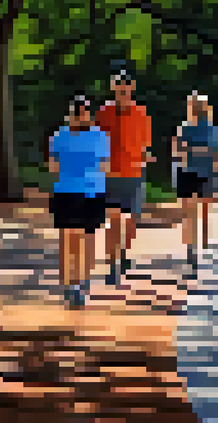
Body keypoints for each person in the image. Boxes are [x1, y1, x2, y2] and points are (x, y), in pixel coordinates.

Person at [49, 95, 108, 309]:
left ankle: (79, 284)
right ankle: (72, 285)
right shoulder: (61, 136)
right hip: (69, 192)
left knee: (83, 238)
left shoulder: (97, 136)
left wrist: (72, 168)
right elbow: (104, 167)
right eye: (78, 112)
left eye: (81, 111)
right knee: (71, 238)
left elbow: (54, 167)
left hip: (87, 192)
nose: (80, 115)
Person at [95, 68, 152, 286]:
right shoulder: (103, 113)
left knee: (131, 221)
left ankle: (124, 253)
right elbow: (96, 142)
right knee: (114, 219)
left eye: (126, 86)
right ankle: (112, 266)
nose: (123, 90)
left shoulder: (141, 114)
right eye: (119, 86)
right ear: (114, 88)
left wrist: (146, 157)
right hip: (110, 175)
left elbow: (145, 144)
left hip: (134, 173)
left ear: (132, 89)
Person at [172, 92, 218, 272]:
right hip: (190, 172)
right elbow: (178, 150)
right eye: (194, 105)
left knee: (198, 210)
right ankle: (192, 248)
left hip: (201, 172)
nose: (195, 109)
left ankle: (198, 242)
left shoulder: (208, 128)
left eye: (197, 106)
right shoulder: (186, 127)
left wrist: (190, 149)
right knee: (191, 212)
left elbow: (215, 153)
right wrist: (201, 151)